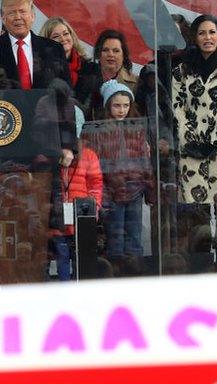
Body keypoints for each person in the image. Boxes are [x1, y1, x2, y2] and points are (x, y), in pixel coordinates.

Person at [0, 0, 75, 167]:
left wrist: (68, 145)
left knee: (48, 193)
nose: (17, 17)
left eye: (22, 11)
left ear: (32, 15)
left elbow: (65, 99)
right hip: (0, 145)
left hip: (47, 146)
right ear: (2, 17)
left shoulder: (53, 49)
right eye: (11, 13)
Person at [172, 15, 217, 204]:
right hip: (191, 152)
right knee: (196, 218)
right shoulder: (181, 72)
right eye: (202, 33)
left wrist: (213, 142)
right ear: (194, 38)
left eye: (212, 32)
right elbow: (178, 108)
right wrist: (191, 141)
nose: (207, 38)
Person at [87, 80, 151, 264]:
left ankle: (134, 272)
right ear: (108, 106)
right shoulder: (99, 131)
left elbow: (145, 162)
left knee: (134, 236)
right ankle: (116, 274)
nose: (121, 110)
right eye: (116, 105)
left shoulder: (136, 129)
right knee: (115, 238)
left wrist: (150, 191)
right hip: (112, 192)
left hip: (135, 190)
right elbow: (97, 167)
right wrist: (103, 196)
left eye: (125, 105)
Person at [51, 105, 104, 280]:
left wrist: (94, 207)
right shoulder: (50, 155)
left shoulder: (88, 155)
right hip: (58, 217)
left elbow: (96, 183)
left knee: (80, 258)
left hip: (80, 218)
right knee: (61, 255)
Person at [77, 29, 140, 120]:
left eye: (116, 51)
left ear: (123, 55)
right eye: (105, 50)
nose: (111, 54)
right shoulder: (86, 79)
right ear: (99, 54)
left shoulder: (135, 83)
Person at [40, 17, 89, 87]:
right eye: (56, 36)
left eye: (66, 34)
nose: (63, 39)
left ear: (72, 36)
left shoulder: (90, 68)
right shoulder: (40, 70)